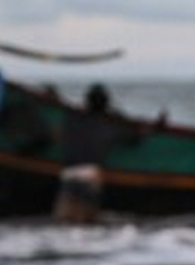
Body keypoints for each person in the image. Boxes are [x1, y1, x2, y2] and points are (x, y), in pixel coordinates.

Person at [53, 84, 140, 223]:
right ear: (106, 104)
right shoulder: (109, 126)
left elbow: (63, 112)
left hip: (68, 176)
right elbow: (134, 137)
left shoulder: (72, 120)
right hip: (90, 177)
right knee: (87, 225)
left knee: (64, 222)